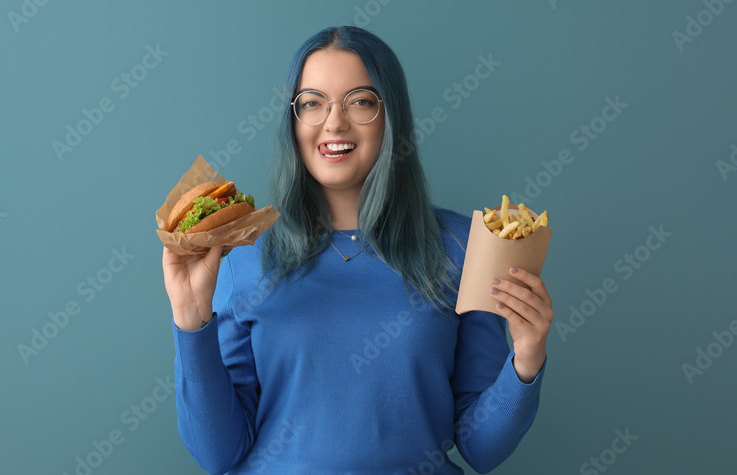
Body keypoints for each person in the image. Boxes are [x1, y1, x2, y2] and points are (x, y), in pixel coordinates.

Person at [163, 26, 554, 474]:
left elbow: (482, 450)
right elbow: (219, 454)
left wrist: (526, 360)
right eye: (312, 103)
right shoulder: (242, 254)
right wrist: (191, 324)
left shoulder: (464, 245)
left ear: (392, 118)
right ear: (293, 122)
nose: (334, 122)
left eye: (360, 101)